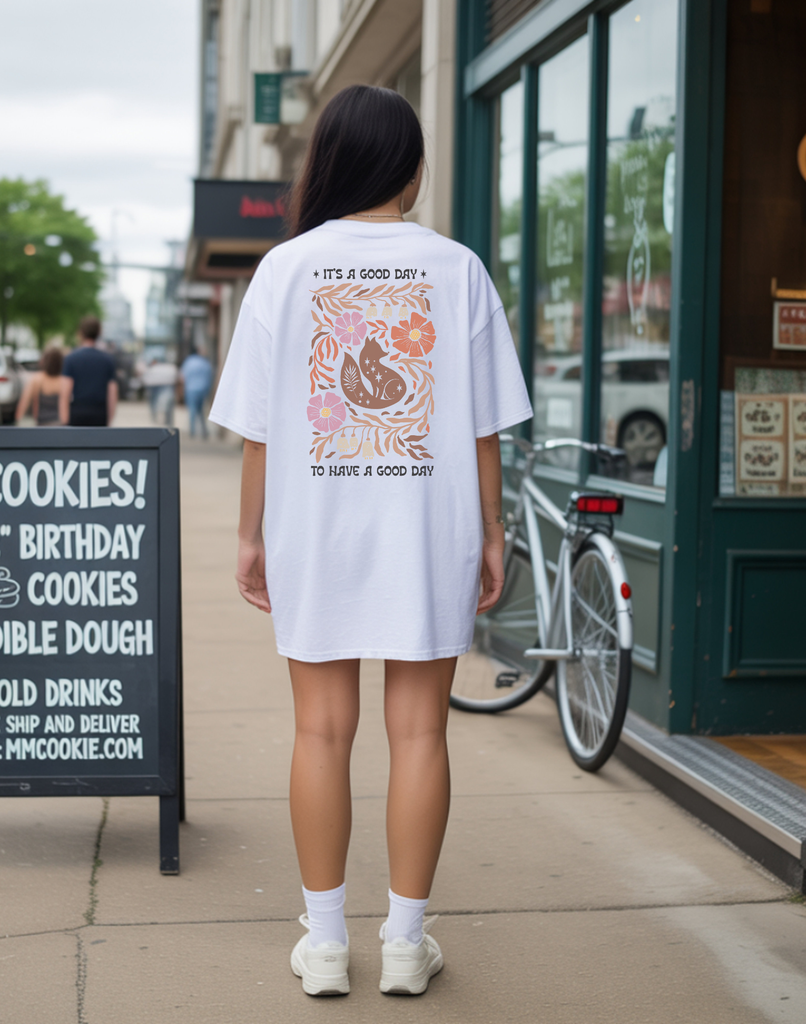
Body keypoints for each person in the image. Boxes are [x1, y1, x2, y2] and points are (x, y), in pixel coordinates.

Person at [209, 85, 532, 998]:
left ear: (331, 163)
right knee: (421, 728)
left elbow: (260, 429)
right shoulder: (458, 268)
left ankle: (322, 945)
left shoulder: (286, 268)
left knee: (319, 728)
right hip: (429, 525)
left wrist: (249, 536)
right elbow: (482, 428)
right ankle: (404, 942)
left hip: (316, 523)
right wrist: (493, 531)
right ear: (413, 169)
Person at [59, 316, 118, 426]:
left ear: (80, 333)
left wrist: (64, 421)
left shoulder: (70, 359)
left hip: (77, 412)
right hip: (100, 413)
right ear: (99, 332)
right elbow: (112, 393)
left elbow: (64, 393)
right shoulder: (108, 360)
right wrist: (109, 420)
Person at [15, 346, 66, 426]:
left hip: (41, 424)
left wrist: (17, 422)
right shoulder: (64, 381)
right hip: (60, 424)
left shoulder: (37, 379)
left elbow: (24, 403)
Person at [180, 346, 214, 438]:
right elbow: (210, 377)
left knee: (192, 411)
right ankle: (204, 432)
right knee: (201, 412)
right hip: (203, 389)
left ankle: (192, 432)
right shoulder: (205, 362)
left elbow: (183, 377)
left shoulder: (188, 362)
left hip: (191, 389)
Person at [142, 355, 178, 427]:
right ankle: (166, 423)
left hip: (158, 388)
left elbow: (145, 380)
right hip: (164, 387)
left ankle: (160, 422)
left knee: (159, 408)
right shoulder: (169, 368)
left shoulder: (153, 369)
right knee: (166, 408)